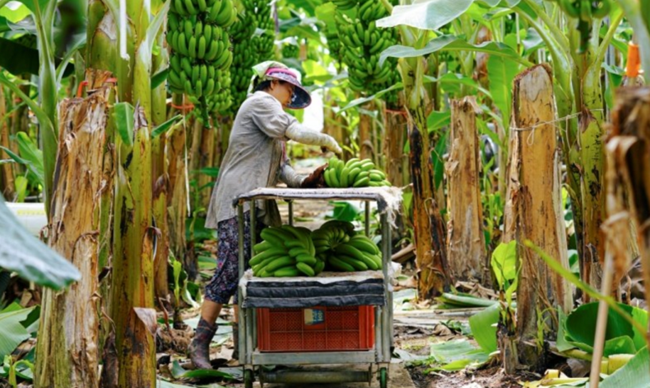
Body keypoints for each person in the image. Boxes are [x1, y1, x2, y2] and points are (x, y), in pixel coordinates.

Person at [189, 62, 342, 369]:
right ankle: (198, 346)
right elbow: (294, 131)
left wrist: (308, 180)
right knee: (230, 271)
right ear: (273, 83)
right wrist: (325, 140)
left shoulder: (272, 126)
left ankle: (242, 347)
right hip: (238, 200)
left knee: (250, 273)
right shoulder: (260, 103)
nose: (290, 97)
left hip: (257, 204)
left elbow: (283, 170)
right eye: (289, 90)